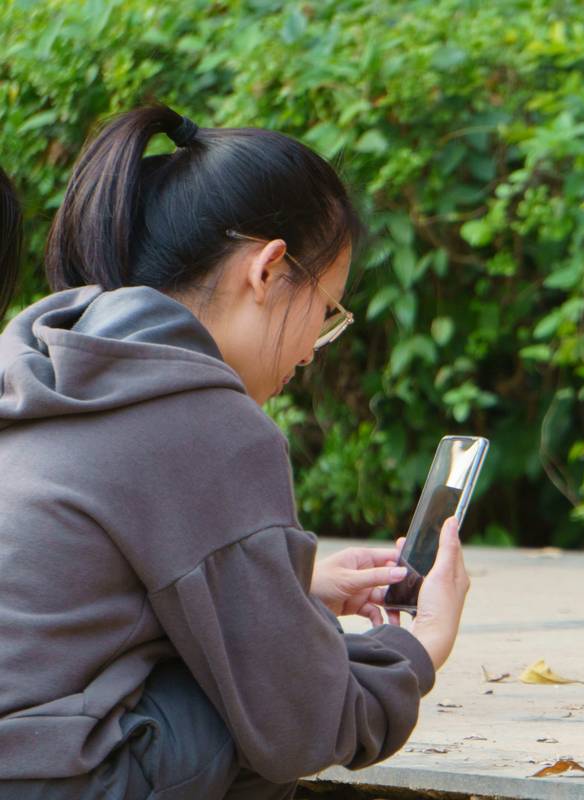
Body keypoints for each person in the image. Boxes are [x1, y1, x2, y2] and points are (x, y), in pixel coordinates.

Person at [0, 106, 470, 799]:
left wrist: (294, 587)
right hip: (49, 778)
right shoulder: (202, 419)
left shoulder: (42, 370)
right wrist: (418, 646)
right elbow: (308, 725)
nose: (311, 348)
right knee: (251, 711)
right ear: (269, 269)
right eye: (328, 310)